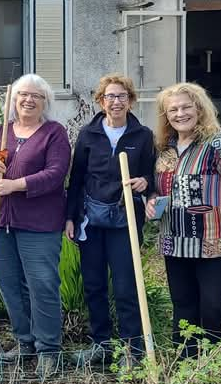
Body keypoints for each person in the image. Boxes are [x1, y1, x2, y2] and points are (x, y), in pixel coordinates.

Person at [145, 82, 221, 356]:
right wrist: (150, 201)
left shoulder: (220, 144)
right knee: (183, 305)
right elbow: (156, 188)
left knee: (212, 306)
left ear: (199, 109)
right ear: (166, 115)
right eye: (173, 109)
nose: (180, 113)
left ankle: (220, 367)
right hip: (175, 242)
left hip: (214, 242)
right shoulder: (164, 149)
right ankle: (186, 367)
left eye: (186, 107)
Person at [0, 74, 71, 375]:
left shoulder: (53, 133)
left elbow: (55, 173)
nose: (28, 100)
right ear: (14, 100)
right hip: (1, 222)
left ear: (45, 102)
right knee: (10, 285)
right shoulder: (2, 132)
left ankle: (48, 348)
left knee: (42, 284)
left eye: (36, 96)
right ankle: (25, 341)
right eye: (22, 95)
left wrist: (16, 184)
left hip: (39, 224)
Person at [65, 75, 156, 366]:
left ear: (131, 100)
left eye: (121, 96)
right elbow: (76, 179)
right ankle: (101, 344)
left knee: (126, 286)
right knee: (94, 285)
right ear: (100, 101)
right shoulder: (88, 135)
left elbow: (152, 174)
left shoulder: (141, 136)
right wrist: (70, 217)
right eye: (110, 96)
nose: (115, 102)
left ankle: (133, 349)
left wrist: (145, 181)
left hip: (125, 220)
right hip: (90, 221)